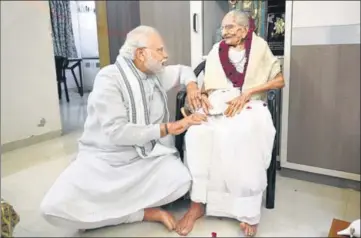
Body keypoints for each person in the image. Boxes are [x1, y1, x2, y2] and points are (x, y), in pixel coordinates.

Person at [40, 25, 206, 232]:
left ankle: (117, 208)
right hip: (105, 161)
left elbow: (184, 71)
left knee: (181, 181)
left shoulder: (154, 74)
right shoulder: (109, 79)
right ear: (141, 54)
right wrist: (168, 128)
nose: (166, 55)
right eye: (160, 50)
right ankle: (140, 213)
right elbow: (118, 132)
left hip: (145, 158)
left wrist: (191, 86)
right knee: (53, 209)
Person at [176, 10, 285, 237]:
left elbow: (279, 80)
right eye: (223, 27)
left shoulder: (260, 47)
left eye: (230, 27)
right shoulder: (217, 50)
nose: (223, 32)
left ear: (244, 30)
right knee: (197, 134)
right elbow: (207, 84)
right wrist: (203, 94)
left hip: (250, 103)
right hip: (218, 102)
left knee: (243, 133)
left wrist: (249, 92)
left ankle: (246, 210)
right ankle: (198, 202)